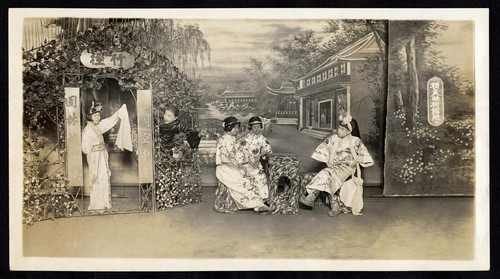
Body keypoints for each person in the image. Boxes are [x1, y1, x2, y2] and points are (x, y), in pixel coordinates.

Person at [298, 113, 374, 216]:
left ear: (348, 131)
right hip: (333, 167)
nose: (339, 130)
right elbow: (323, 148)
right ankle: (335, 205)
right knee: (327, 173)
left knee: (326, 173)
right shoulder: (333, 138)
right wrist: (327, 162)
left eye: (342, 129)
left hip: (347, 168)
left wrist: (355, 160)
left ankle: (312, 195)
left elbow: (364, 155)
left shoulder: (355, 141)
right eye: (339, 128)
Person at [81, 101, 130, 212]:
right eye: (95, 116)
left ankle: (104, 203)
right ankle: (96, 205)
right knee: (96, 178)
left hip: (102, 156)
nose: (97, 118)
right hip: (94, 158)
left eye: (98, 115)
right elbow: (85, 149)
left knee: (104, 177)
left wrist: (119, 112)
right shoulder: (87, 130)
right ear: (90, 117)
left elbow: (110, 121)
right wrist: (95, 150)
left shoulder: (99, 126)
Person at [215, 116, 270, 212]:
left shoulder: (233, 139)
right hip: (225, 168)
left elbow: (240, 155)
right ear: (229, 128)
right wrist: (239, 167)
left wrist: (242, 165)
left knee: (250, 176)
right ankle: (257, 204)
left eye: (237, 127)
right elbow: (224, 159)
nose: (237, 130)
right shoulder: (223, 140)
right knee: (243, 180)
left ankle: (259, 202)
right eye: (235, 127)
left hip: (235, 165)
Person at [240, 116, 272, 201]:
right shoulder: (247, 138)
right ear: (251, 127)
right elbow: (243, 152)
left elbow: (267, 149)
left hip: (257, 162)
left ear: (261, 127)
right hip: (247, 162)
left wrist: (259, 155)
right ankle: (251, 199)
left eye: (258, 126)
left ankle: (264, 198)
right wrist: (250, 162)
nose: (257, 129)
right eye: (254, 127)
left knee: (261, 176)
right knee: (247, 177)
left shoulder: (262, 138)